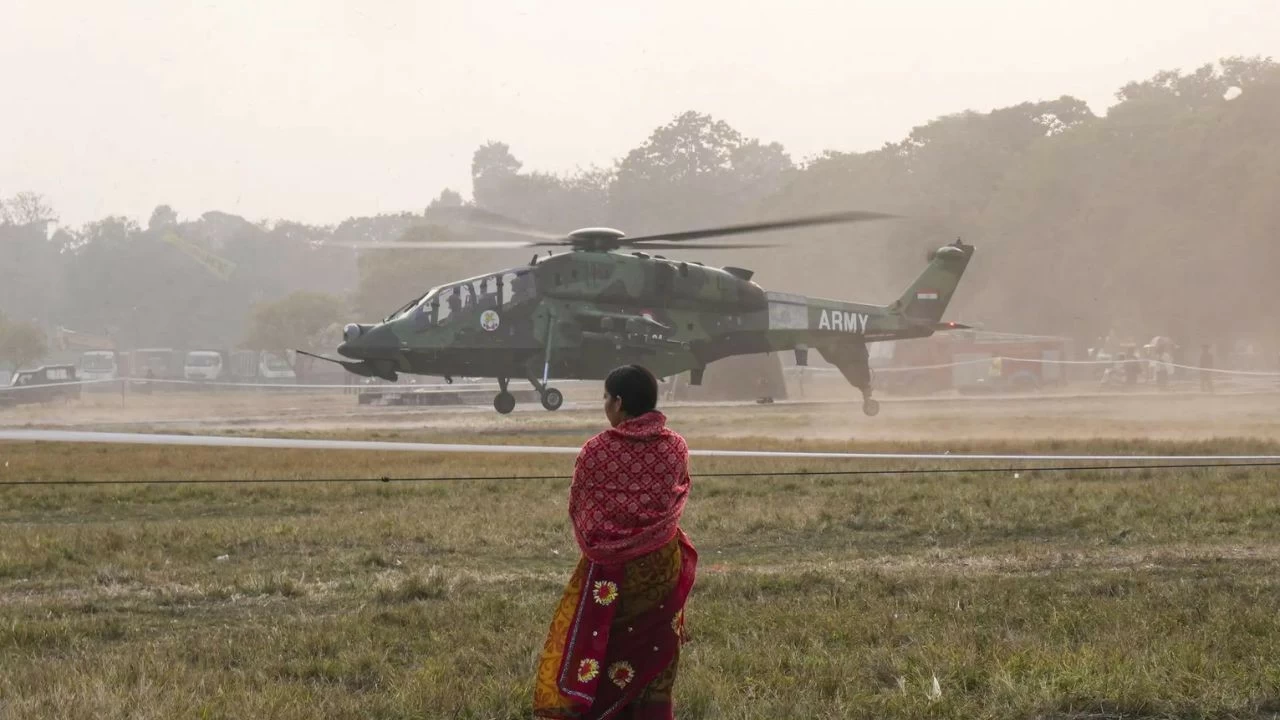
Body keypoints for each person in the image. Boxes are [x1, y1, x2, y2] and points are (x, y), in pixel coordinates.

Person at [533, 365, 697, 720]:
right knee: (654, 648)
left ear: (619, 403)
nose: (605, 405)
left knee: (607, 647)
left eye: (606, 397)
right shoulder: (676, 447)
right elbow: (677, 494)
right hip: (660, 566)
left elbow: (579, 505)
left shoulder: (595, 451)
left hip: (610, 574)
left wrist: (609, 542)